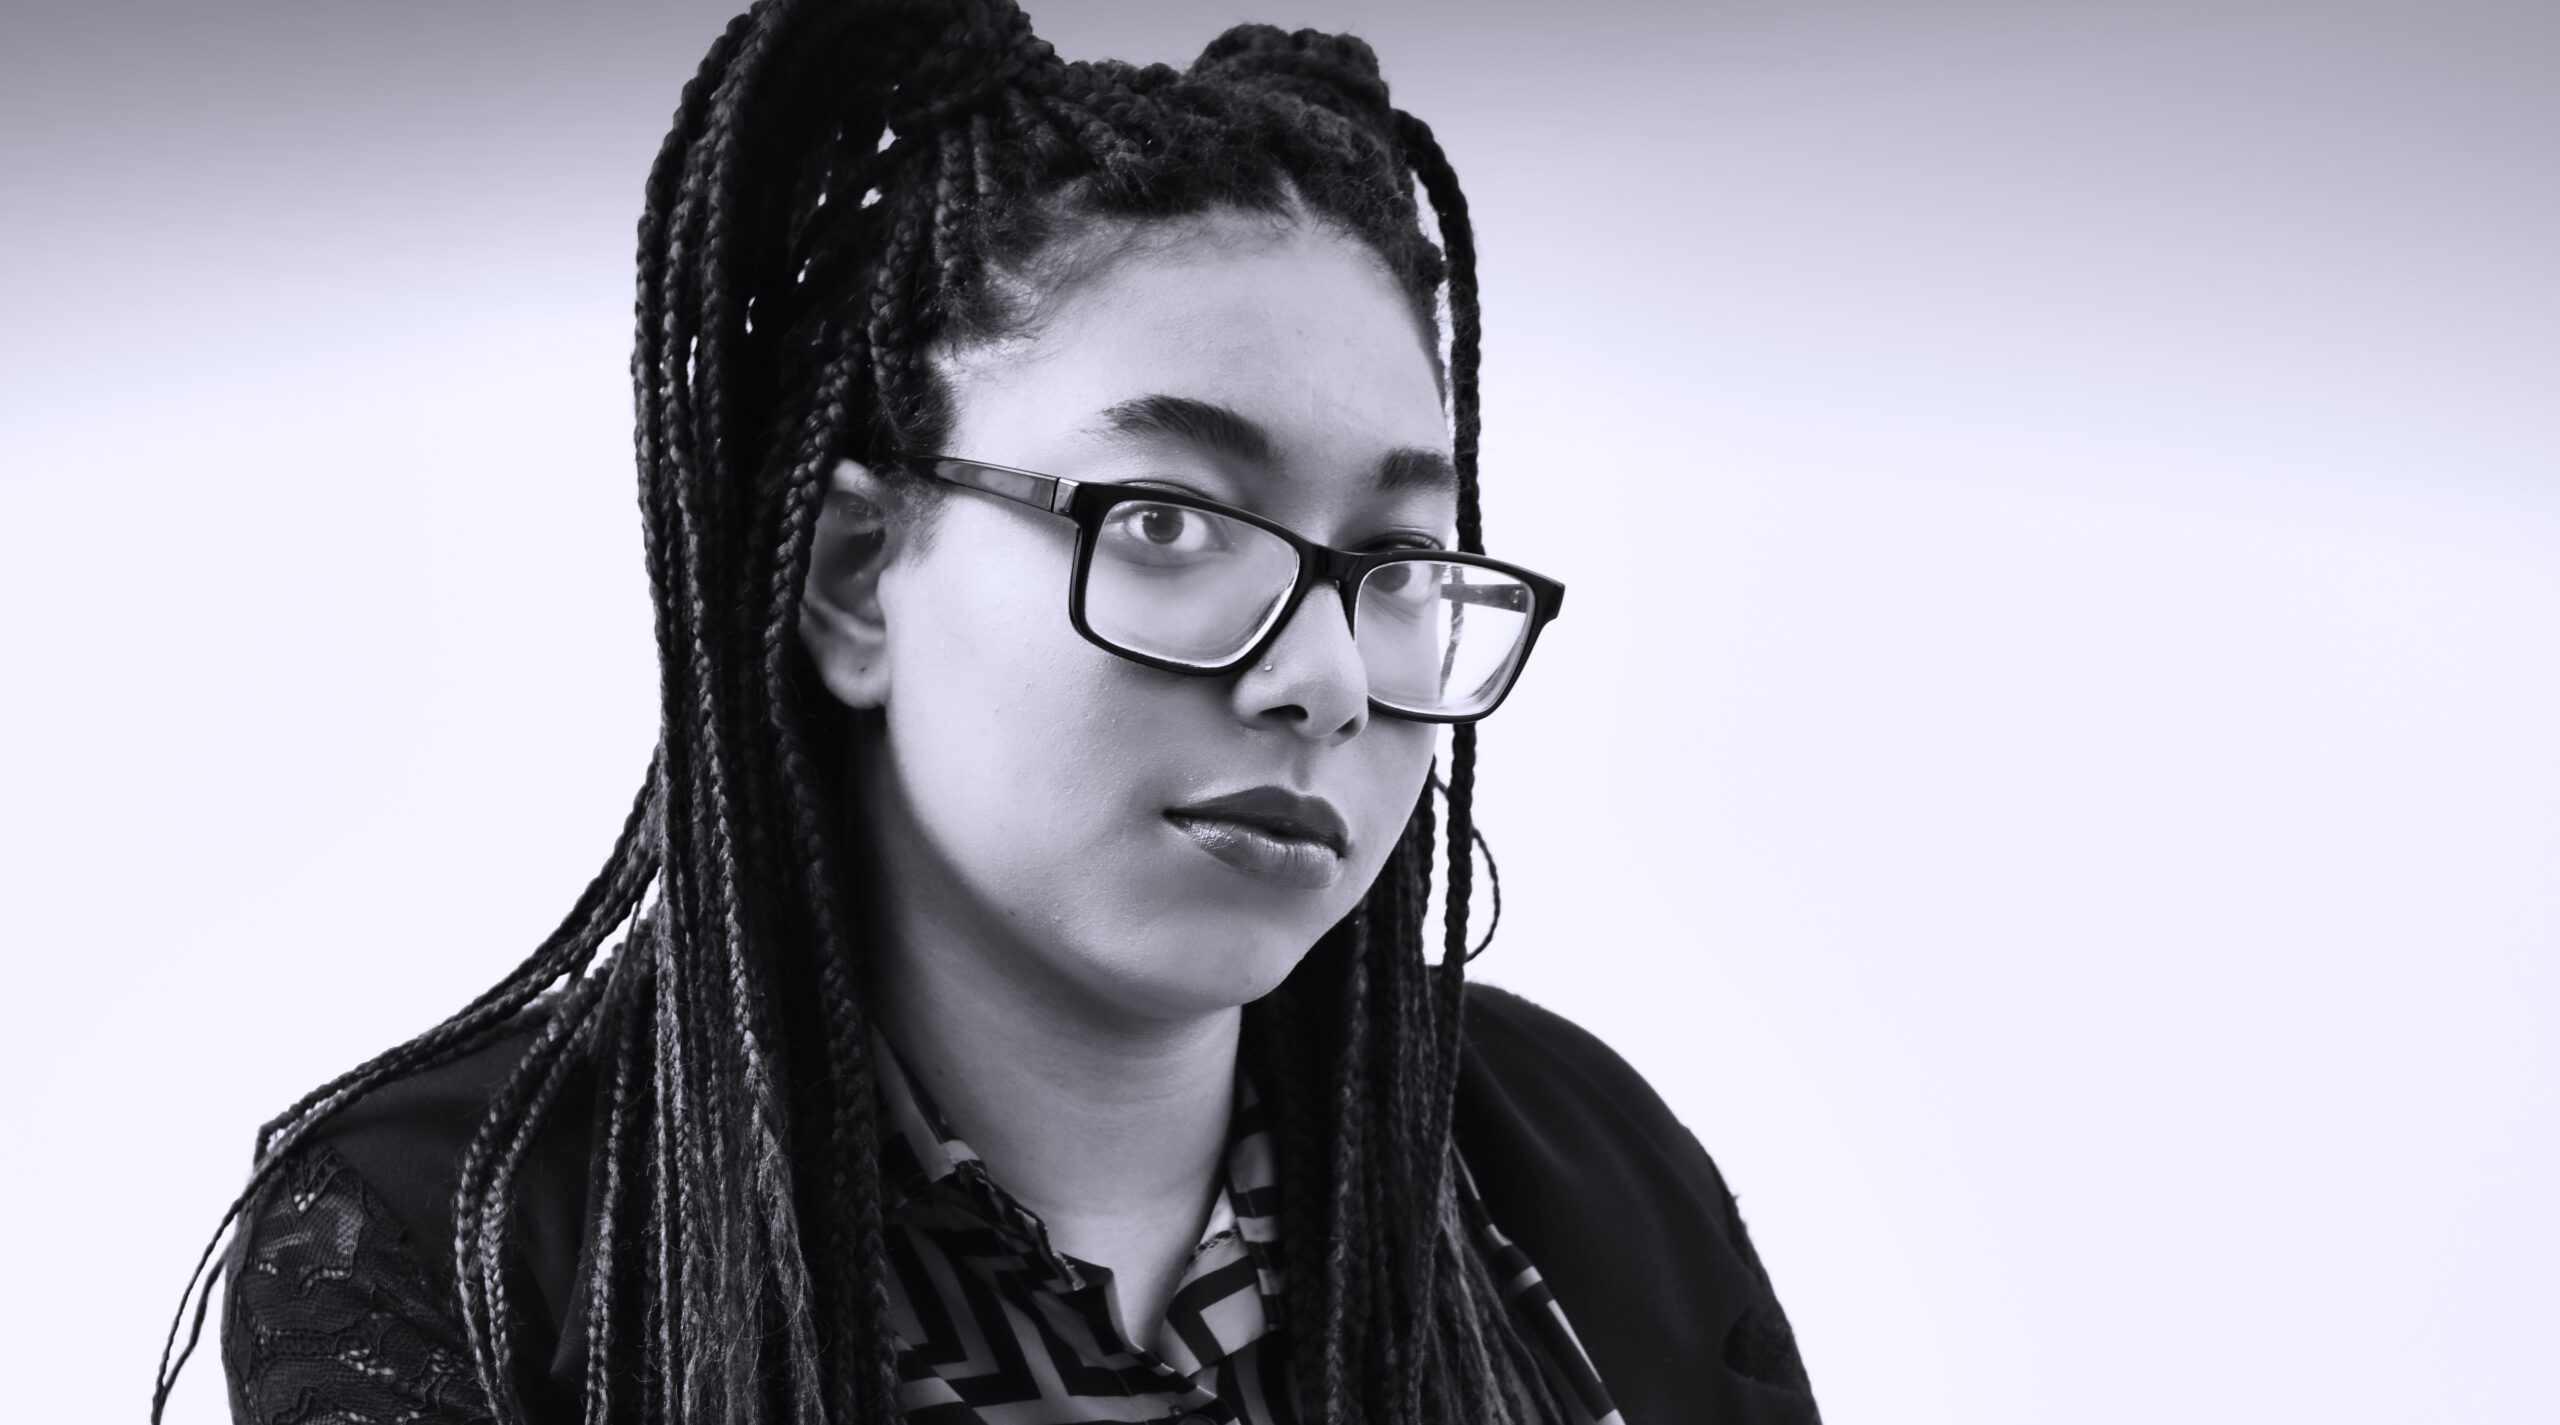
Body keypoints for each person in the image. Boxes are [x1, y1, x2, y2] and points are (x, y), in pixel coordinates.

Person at [157, 2, 1819, 1422]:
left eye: (1394, 562)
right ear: (855, 577)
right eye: (1169, 522)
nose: (1319, 678)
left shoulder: (1581, 1173)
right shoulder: (452, 1233)